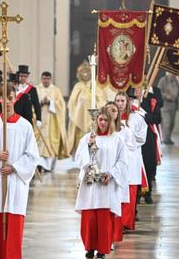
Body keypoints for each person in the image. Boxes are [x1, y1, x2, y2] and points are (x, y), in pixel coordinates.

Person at [0, 84, 39, 259]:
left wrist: (15, 167)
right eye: (5, 98)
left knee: (13, 223)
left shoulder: (25, 126)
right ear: (0, 99)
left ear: (15, 99)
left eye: (11, 98)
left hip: (16, 182)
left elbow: (33, 156)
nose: (8, 102)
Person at [74, 107, 127, 259]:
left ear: (110, 121)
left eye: (105, 120)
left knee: (104, 220)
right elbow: (79, 157)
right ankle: (89, 248)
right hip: (91, 185)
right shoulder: (88, 138)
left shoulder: (117, 139)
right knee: (89, 219)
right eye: (100, 119)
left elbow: (123, 161)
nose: (102, 122)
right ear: (96, 121)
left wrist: (111, 174)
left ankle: (102, 250)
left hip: (107, 185)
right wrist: (88, 146)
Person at [105, 102, 134, 244]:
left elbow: (130, 150)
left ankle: (112, 237)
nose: (112, 113)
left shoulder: (125, 131)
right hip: (103, 174)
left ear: (118, 113)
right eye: (109, 110)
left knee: (115, 206)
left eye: (114, 111)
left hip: (118, 172)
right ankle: (104, 238)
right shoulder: (97, 131)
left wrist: (115, 168)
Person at [115, 91, 147, 219]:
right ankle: (117, 221)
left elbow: (142, 138)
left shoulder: (136, 118)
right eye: (117, 101)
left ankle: (127, 221)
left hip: (131, 156)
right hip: (115, 158)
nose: (120, 104)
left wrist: (127, 138)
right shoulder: (111, 118)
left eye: (123, 101)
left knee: (129, 188)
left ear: (127, 102)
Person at [35, 71, 69, 172]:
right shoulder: (36, 89)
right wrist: (41, 102)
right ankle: (39, 166)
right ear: (41, 79)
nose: (46, 80)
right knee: (39, 144)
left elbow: (62, 106)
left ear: (50, 79)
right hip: (39, 123)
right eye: (44, 78)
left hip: (52, 124)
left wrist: (50, 102)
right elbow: (31, 104)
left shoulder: (56, 90)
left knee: (51, 144)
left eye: (47, 79)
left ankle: (49, 167)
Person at [67, 62, 93, 155]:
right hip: (79, 116)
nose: (85, 74)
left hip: (91, 116)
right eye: (83, 72)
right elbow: (72, 102)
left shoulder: (95, 85)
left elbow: (101, 99)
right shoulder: (78, 86)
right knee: (80, 136)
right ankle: (80, 154)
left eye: (87, 72)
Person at [159, 72, 179, 144]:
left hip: (174, 106)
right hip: (165, 105)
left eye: (175, 74)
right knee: (166, 123)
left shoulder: (176, 81)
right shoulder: (163, 80)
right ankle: (165, 139)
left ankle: (168, 138)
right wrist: (166, 96)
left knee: (171, 123)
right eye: (172, 74)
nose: (174, 75)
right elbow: (158, 91)